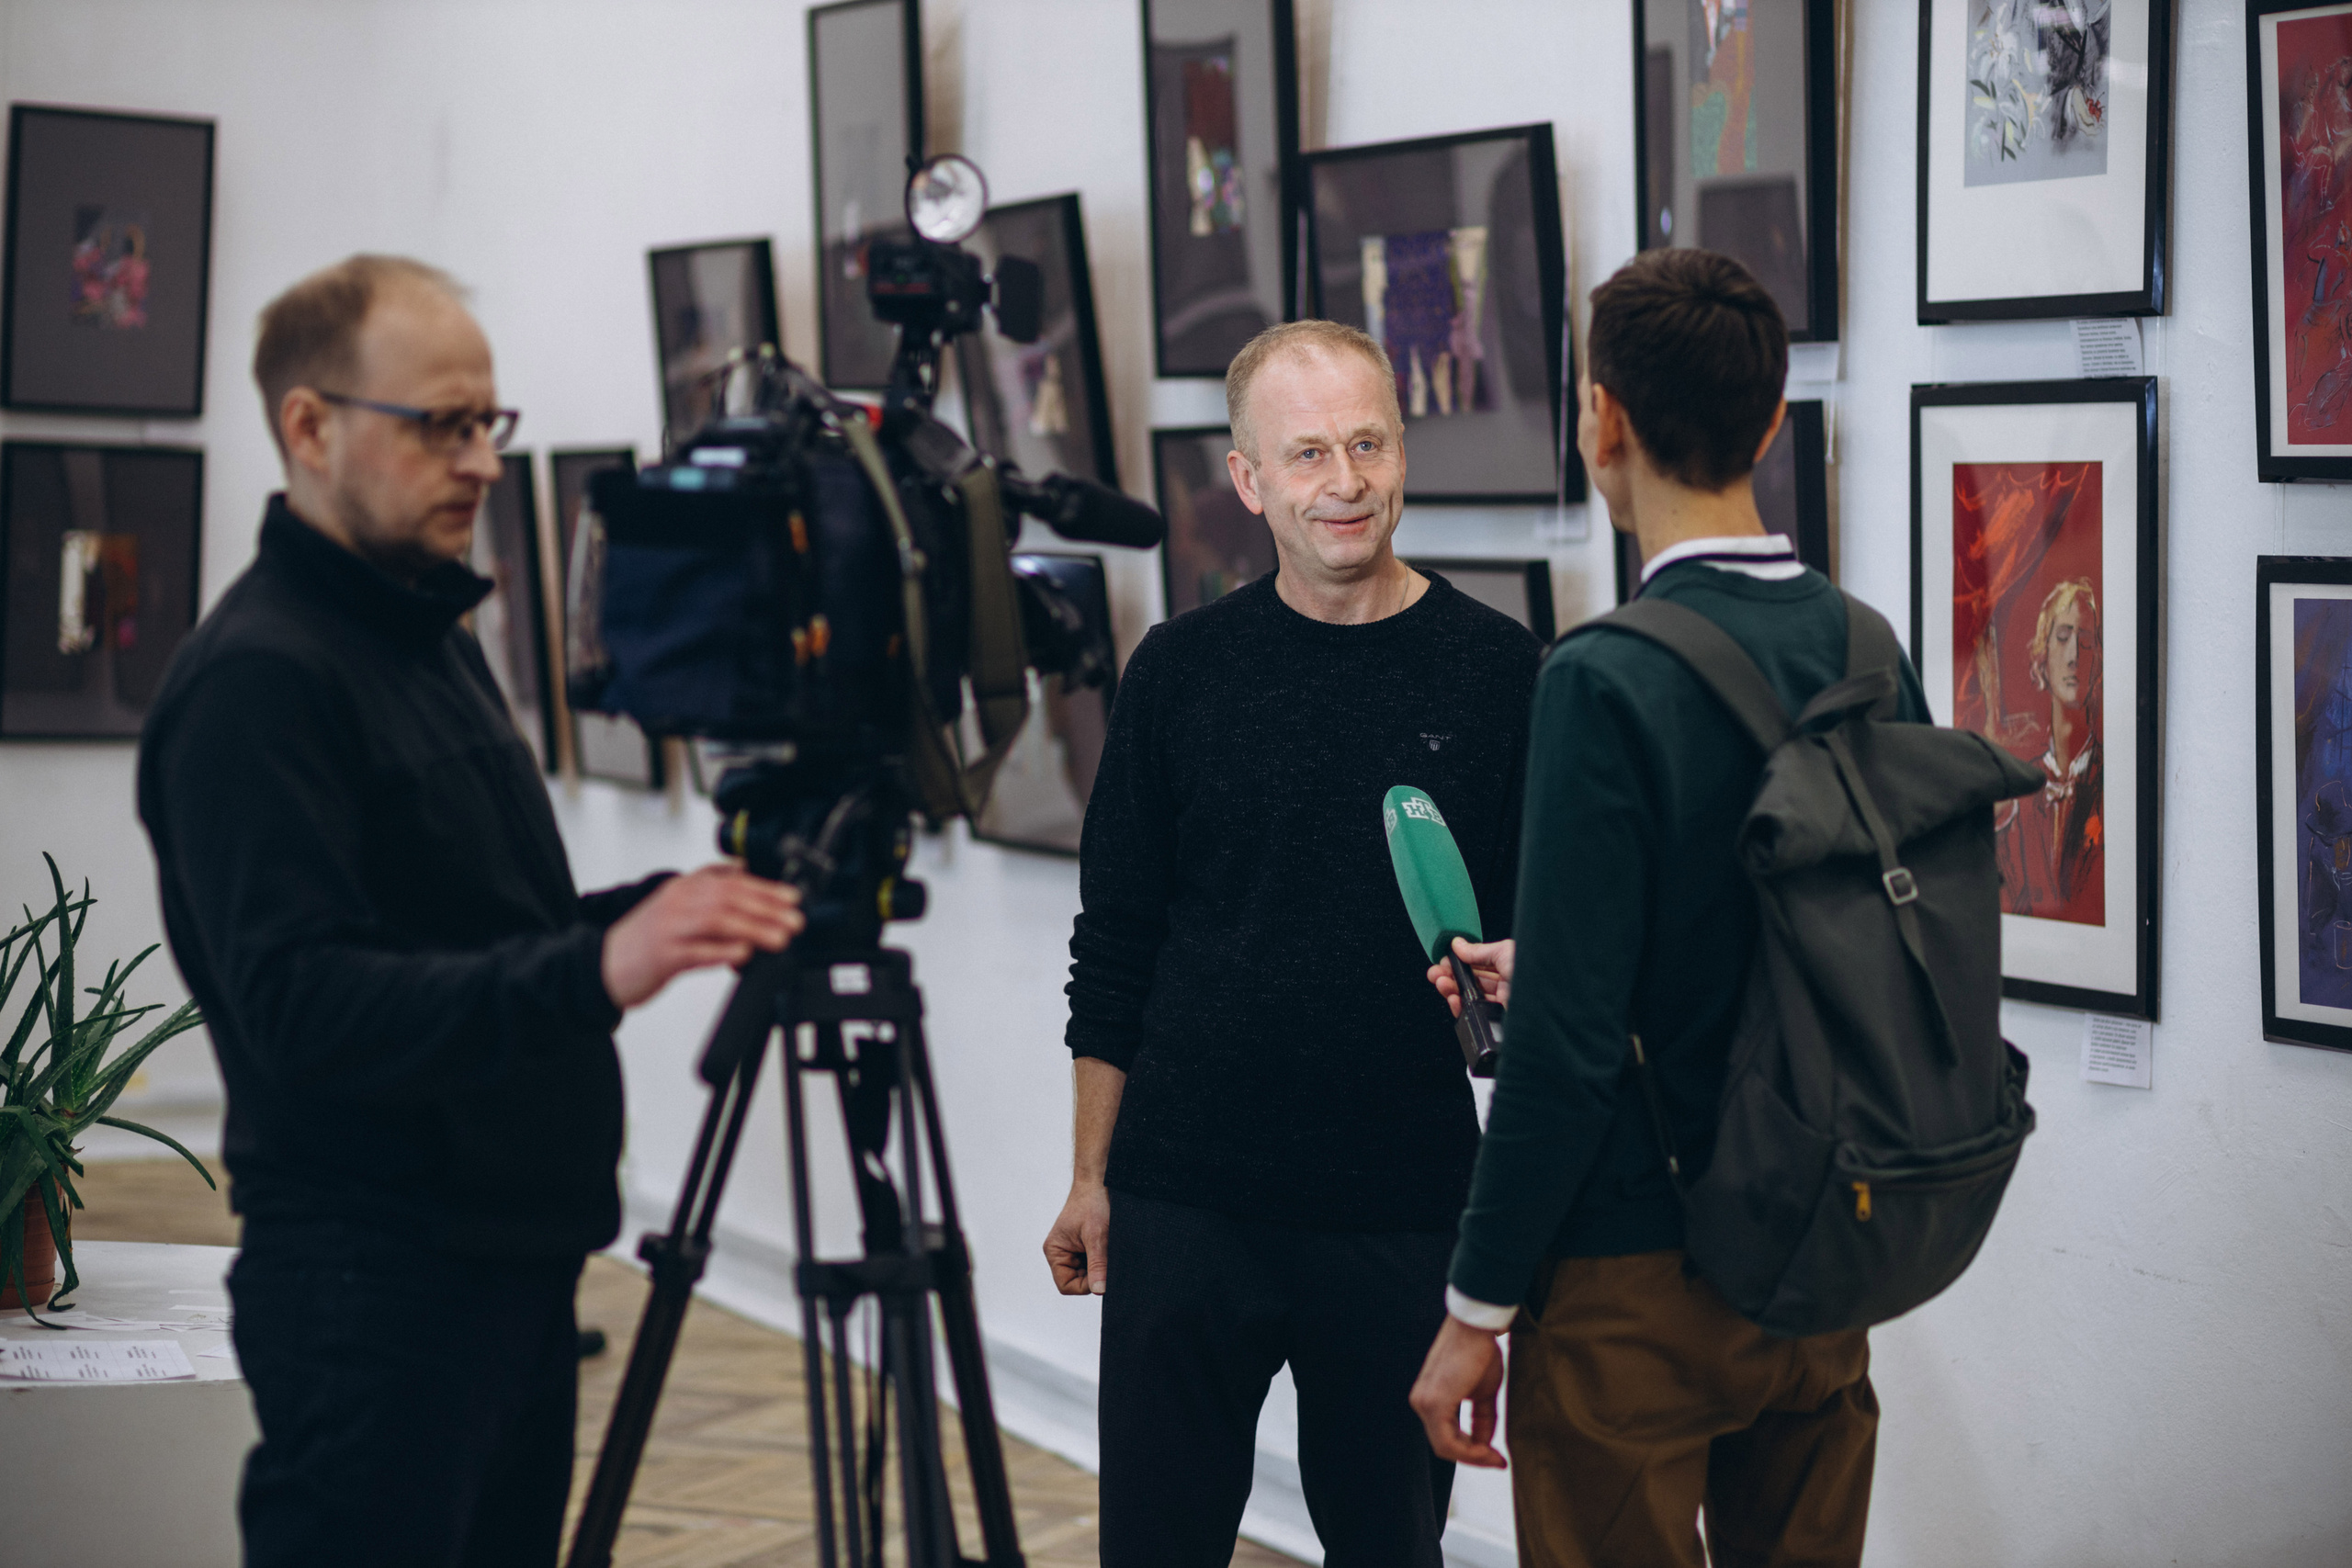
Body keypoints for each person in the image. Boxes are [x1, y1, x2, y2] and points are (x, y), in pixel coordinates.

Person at [136, 254, 805, 1568]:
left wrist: (650, 907)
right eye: (441, 424)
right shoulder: (257, 682)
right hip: (372, 1293)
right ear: (310, 427)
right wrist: (596, 965)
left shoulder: (427, 635)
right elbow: (303, 1004)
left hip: (511, 1270)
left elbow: (482, 924)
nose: (484, 461)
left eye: (488, 424)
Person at [1408, 250, 1930, 1568]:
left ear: (1602, 419)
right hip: (1821, 1252)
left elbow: (1567, 1049)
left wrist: (1478, 1303)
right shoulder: (1867, 643)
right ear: (1770, 422)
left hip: (1638, 1270)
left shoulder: (1603, 675)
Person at [1046, 319, 1542, 1565]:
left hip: (1400, 1202)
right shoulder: (1177, 672)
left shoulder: (1501, 671)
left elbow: (1547, 959)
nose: (1347, 481)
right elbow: (1114, 948)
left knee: (1391, 1545)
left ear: (1403, 450)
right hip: (1184, 1197)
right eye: (1309, 452)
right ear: (1250, 479)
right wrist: (1092, 1175)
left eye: (1367, 442)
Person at [1994, 578, 2102, 919]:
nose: (2073, 657)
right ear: (2042, 657)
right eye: (2063, 637)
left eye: (2085, 642)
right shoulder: (2019, 788)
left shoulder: (2112, 781)